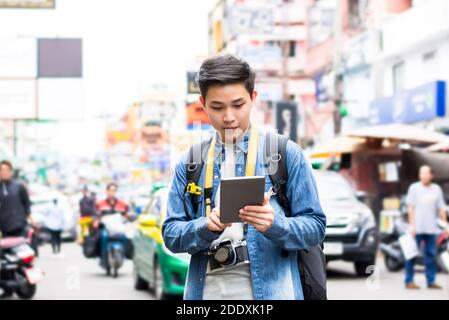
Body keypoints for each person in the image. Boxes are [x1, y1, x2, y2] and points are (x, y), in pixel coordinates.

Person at [162, 55, 326, 300]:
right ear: (203, 103)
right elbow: (171, 234)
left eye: (238, 105)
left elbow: (316, 227)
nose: (228, 117)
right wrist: (205, 226)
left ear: (253, 98)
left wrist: (275, 224)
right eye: (217, 107)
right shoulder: (190, 162)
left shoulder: (285, 154)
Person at [405, 165, 448, 289]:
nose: (423, 176)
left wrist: (445, 225)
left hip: (431, 229)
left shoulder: (436, 189)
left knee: (431, 255)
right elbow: (410, 208)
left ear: (431, 175)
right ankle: (409, 281)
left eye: (425, 173)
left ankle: (431, 280)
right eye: (421, 173)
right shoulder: (414, 188)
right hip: (416, 229)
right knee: (412, 255)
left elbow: (441, 208)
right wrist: (412, 225)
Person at [0, 160, 32, 298]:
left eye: (6, 170)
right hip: (4, 229)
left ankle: (24, 280)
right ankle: (7, 286)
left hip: (20, 227)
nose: (4, 172)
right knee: (5, 260)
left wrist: (29, 220)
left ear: (11, 171)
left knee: (22, 257)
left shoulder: (19, 186)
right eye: (1, 170)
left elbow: (27, 205)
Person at [94, 183, 129, 268]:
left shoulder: (122, 204)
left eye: (114, 190)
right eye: (110, 190)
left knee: (125, 237)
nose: (112, 192)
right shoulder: (101, 204)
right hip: (106, 228)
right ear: (107, 191)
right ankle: (103, 259)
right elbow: (96, 215)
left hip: (118, 228)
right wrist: (96, 221)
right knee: (103, 237)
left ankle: (122, 256)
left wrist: (128, 219)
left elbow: (126, 215)